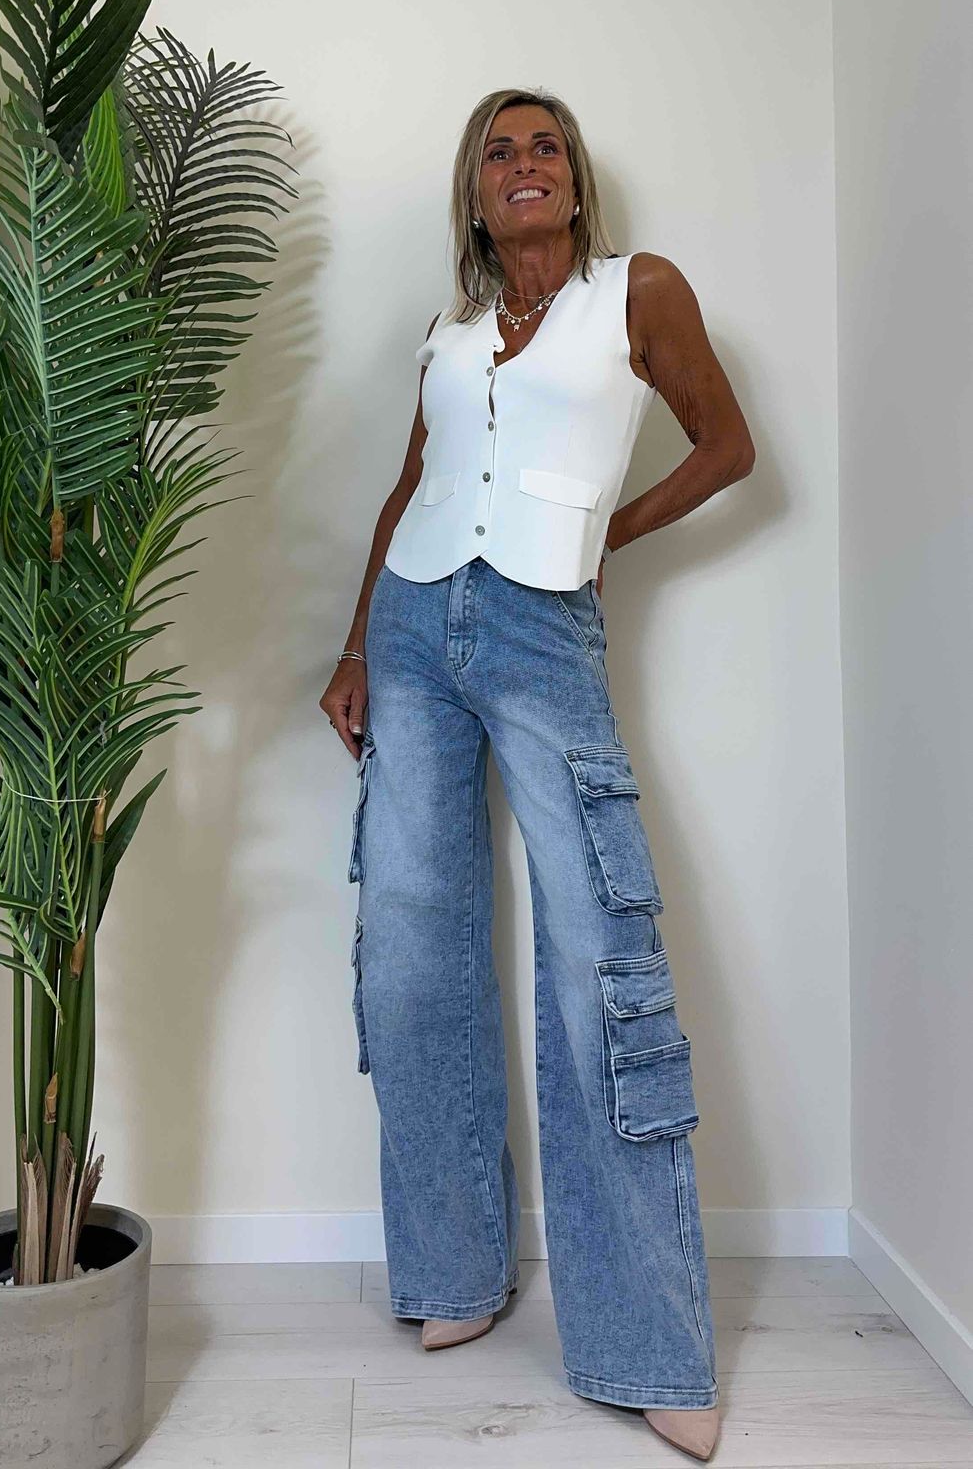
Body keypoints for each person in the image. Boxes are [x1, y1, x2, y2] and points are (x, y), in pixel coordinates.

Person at [319, 86, 755, 1463]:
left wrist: (602, 536)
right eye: (499, 152)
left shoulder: (639, 292)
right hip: (412, 625)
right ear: (474, 190)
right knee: (411, 955)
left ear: (573, 180)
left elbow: (729, 446)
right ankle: (453, 1273)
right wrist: (355, 647)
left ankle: (646, 1342)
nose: (524, 165)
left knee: (596, 959)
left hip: (537, 628)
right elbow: (411, 486)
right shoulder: (448, 335)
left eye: (545, 147)